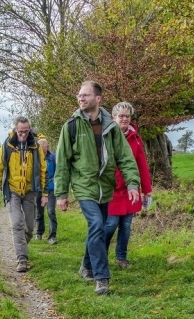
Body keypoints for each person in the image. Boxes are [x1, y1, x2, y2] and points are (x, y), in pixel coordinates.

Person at [54, 80, 140, 295]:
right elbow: (63, 162)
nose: (80, 98)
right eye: (79, 95)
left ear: (98, 99)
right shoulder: (71, 126)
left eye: (85, 95)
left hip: (106, 187)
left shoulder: (111, 126)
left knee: (98, 229)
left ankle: (87, 265)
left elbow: (125, 157)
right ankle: (101, 278)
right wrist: (62, 193)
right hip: (84, 187)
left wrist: (132, 183)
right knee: (97, 226)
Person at [0, 115, 47, 272]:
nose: (23, 134)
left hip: (30, 191)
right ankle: (22, 259)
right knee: (17, 224)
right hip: (12, 191)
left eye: (26, 131)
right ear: (15, 130)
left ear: (29, 130)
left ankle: (20, 244)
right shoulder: (7, 146)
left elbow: (43, 170)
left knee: (29, 228)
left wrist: (45, 194)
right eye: (20, 131)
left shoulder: (35, 147)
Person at [104, 102, 152, 269]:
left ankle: (121, 258)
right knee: (110, 225)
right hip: (111, 189)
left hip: (130, 190)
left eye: (127, 116)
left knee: (126, 225)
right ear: (113, 117)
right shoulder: (106, 135)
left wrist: (147, 190)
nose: (124, 119)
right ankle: (100, 255)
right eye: (121, 116)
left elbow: (142, 165)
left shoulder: (135, 138)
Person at [35, 139, 58, 244]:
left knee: (51, 211)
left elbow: (59, 172)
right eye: (40, 150)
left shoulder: (53, 158)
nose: (42, 152)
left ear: (47, 147)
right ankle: (39, 232)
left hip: (51, 188)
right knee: (39, 212)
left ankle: (52, 236)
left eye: (43, 149)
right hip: (39, 189)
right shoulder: (34, 158)